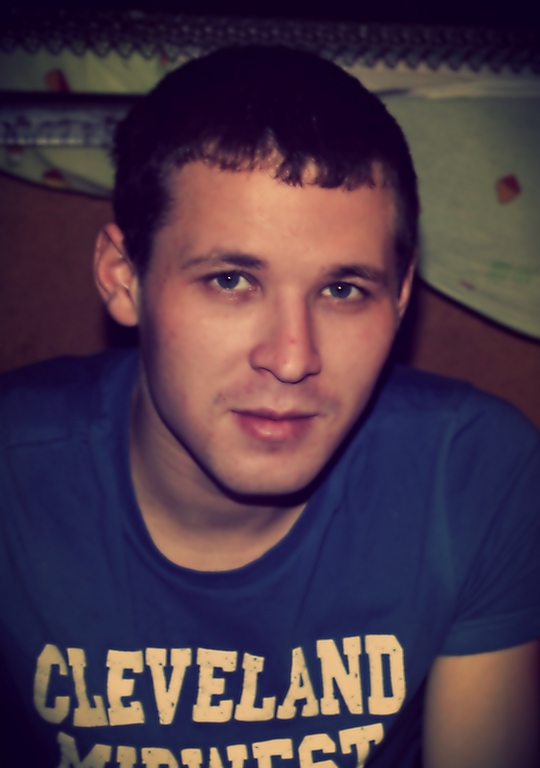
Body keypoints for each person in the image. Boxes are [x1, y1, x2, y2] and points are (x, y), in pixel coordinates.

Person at [0, 46, 539, 768]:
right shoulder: (15, 477)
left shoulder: (475, 474)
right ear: (124, 277)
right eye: (231, 280)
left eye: (343, 290)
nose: (291, 358)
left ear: (401, 297)